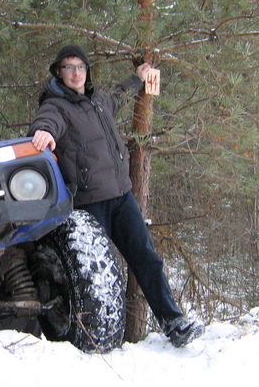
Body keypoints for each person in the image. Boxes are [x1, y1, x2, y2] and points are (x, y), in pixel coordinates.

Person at [29, 44, 204, 347]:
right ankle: (91, 338)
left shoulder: (98, 99)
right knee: (96, 276)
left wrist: (138, 78)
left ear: (87, 71)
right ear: (59, 72)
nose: (75, 73)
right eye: (68, 67)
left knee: (146, 259)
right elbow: (46, 122)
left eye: (80, 67)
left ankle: (173, 322)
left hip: (122, 197)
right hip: (89, 203)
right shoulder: (56, 106)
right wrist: (43, 132)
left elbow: (119, 96)